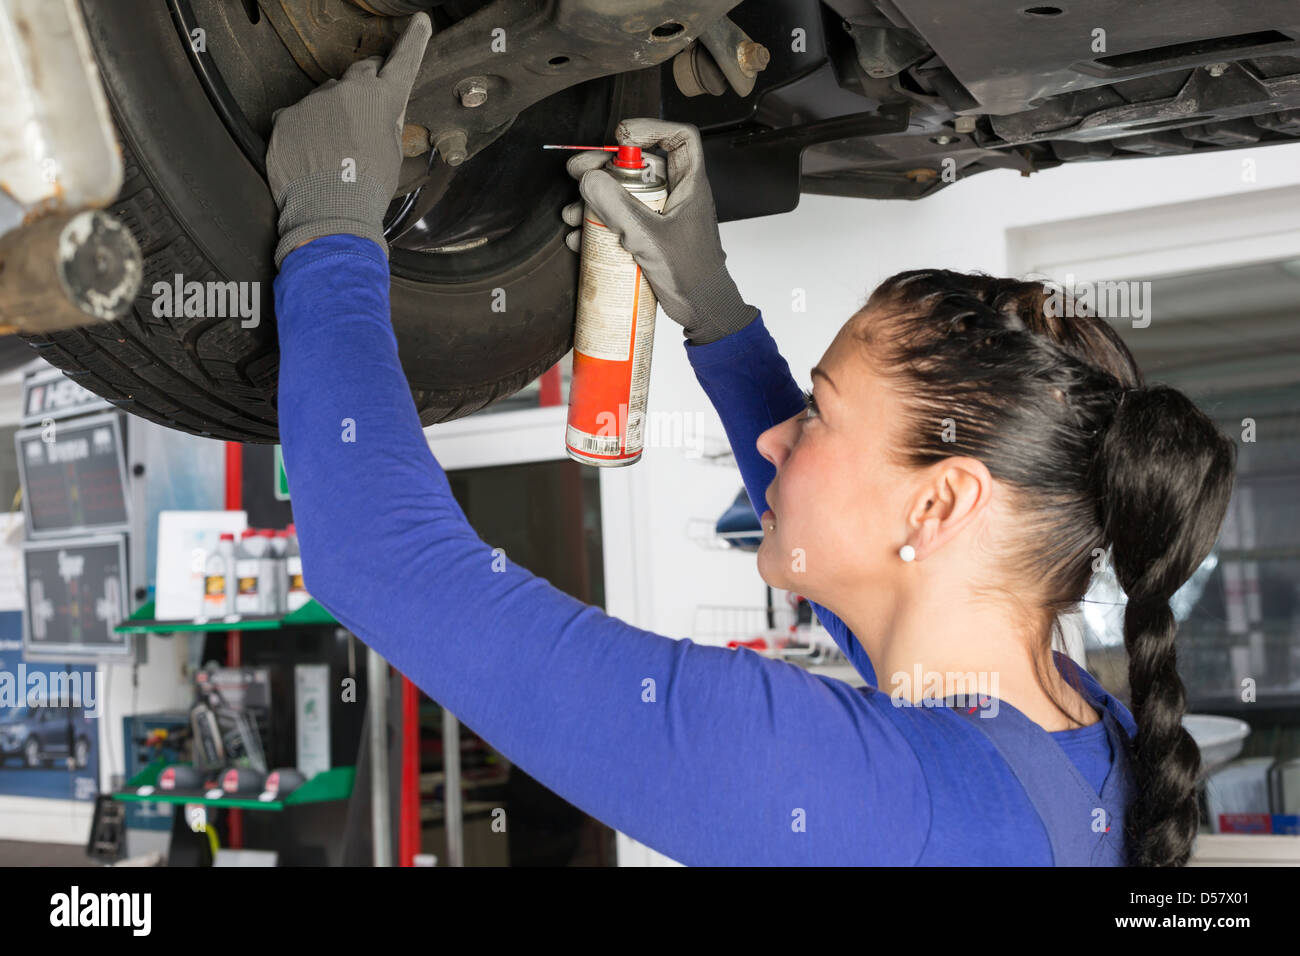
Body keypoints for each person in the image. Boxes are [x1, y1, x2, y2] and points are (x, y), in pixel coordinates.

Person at [266, 12, 1237, 865]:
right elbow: (856, 552)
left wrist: (331, 232)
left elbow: (379, 560)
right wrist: (710, 303)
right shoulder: (1071, 738)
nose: (777, 444)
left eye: (817, 412)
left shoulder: (852, 789)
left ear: (942, 502)